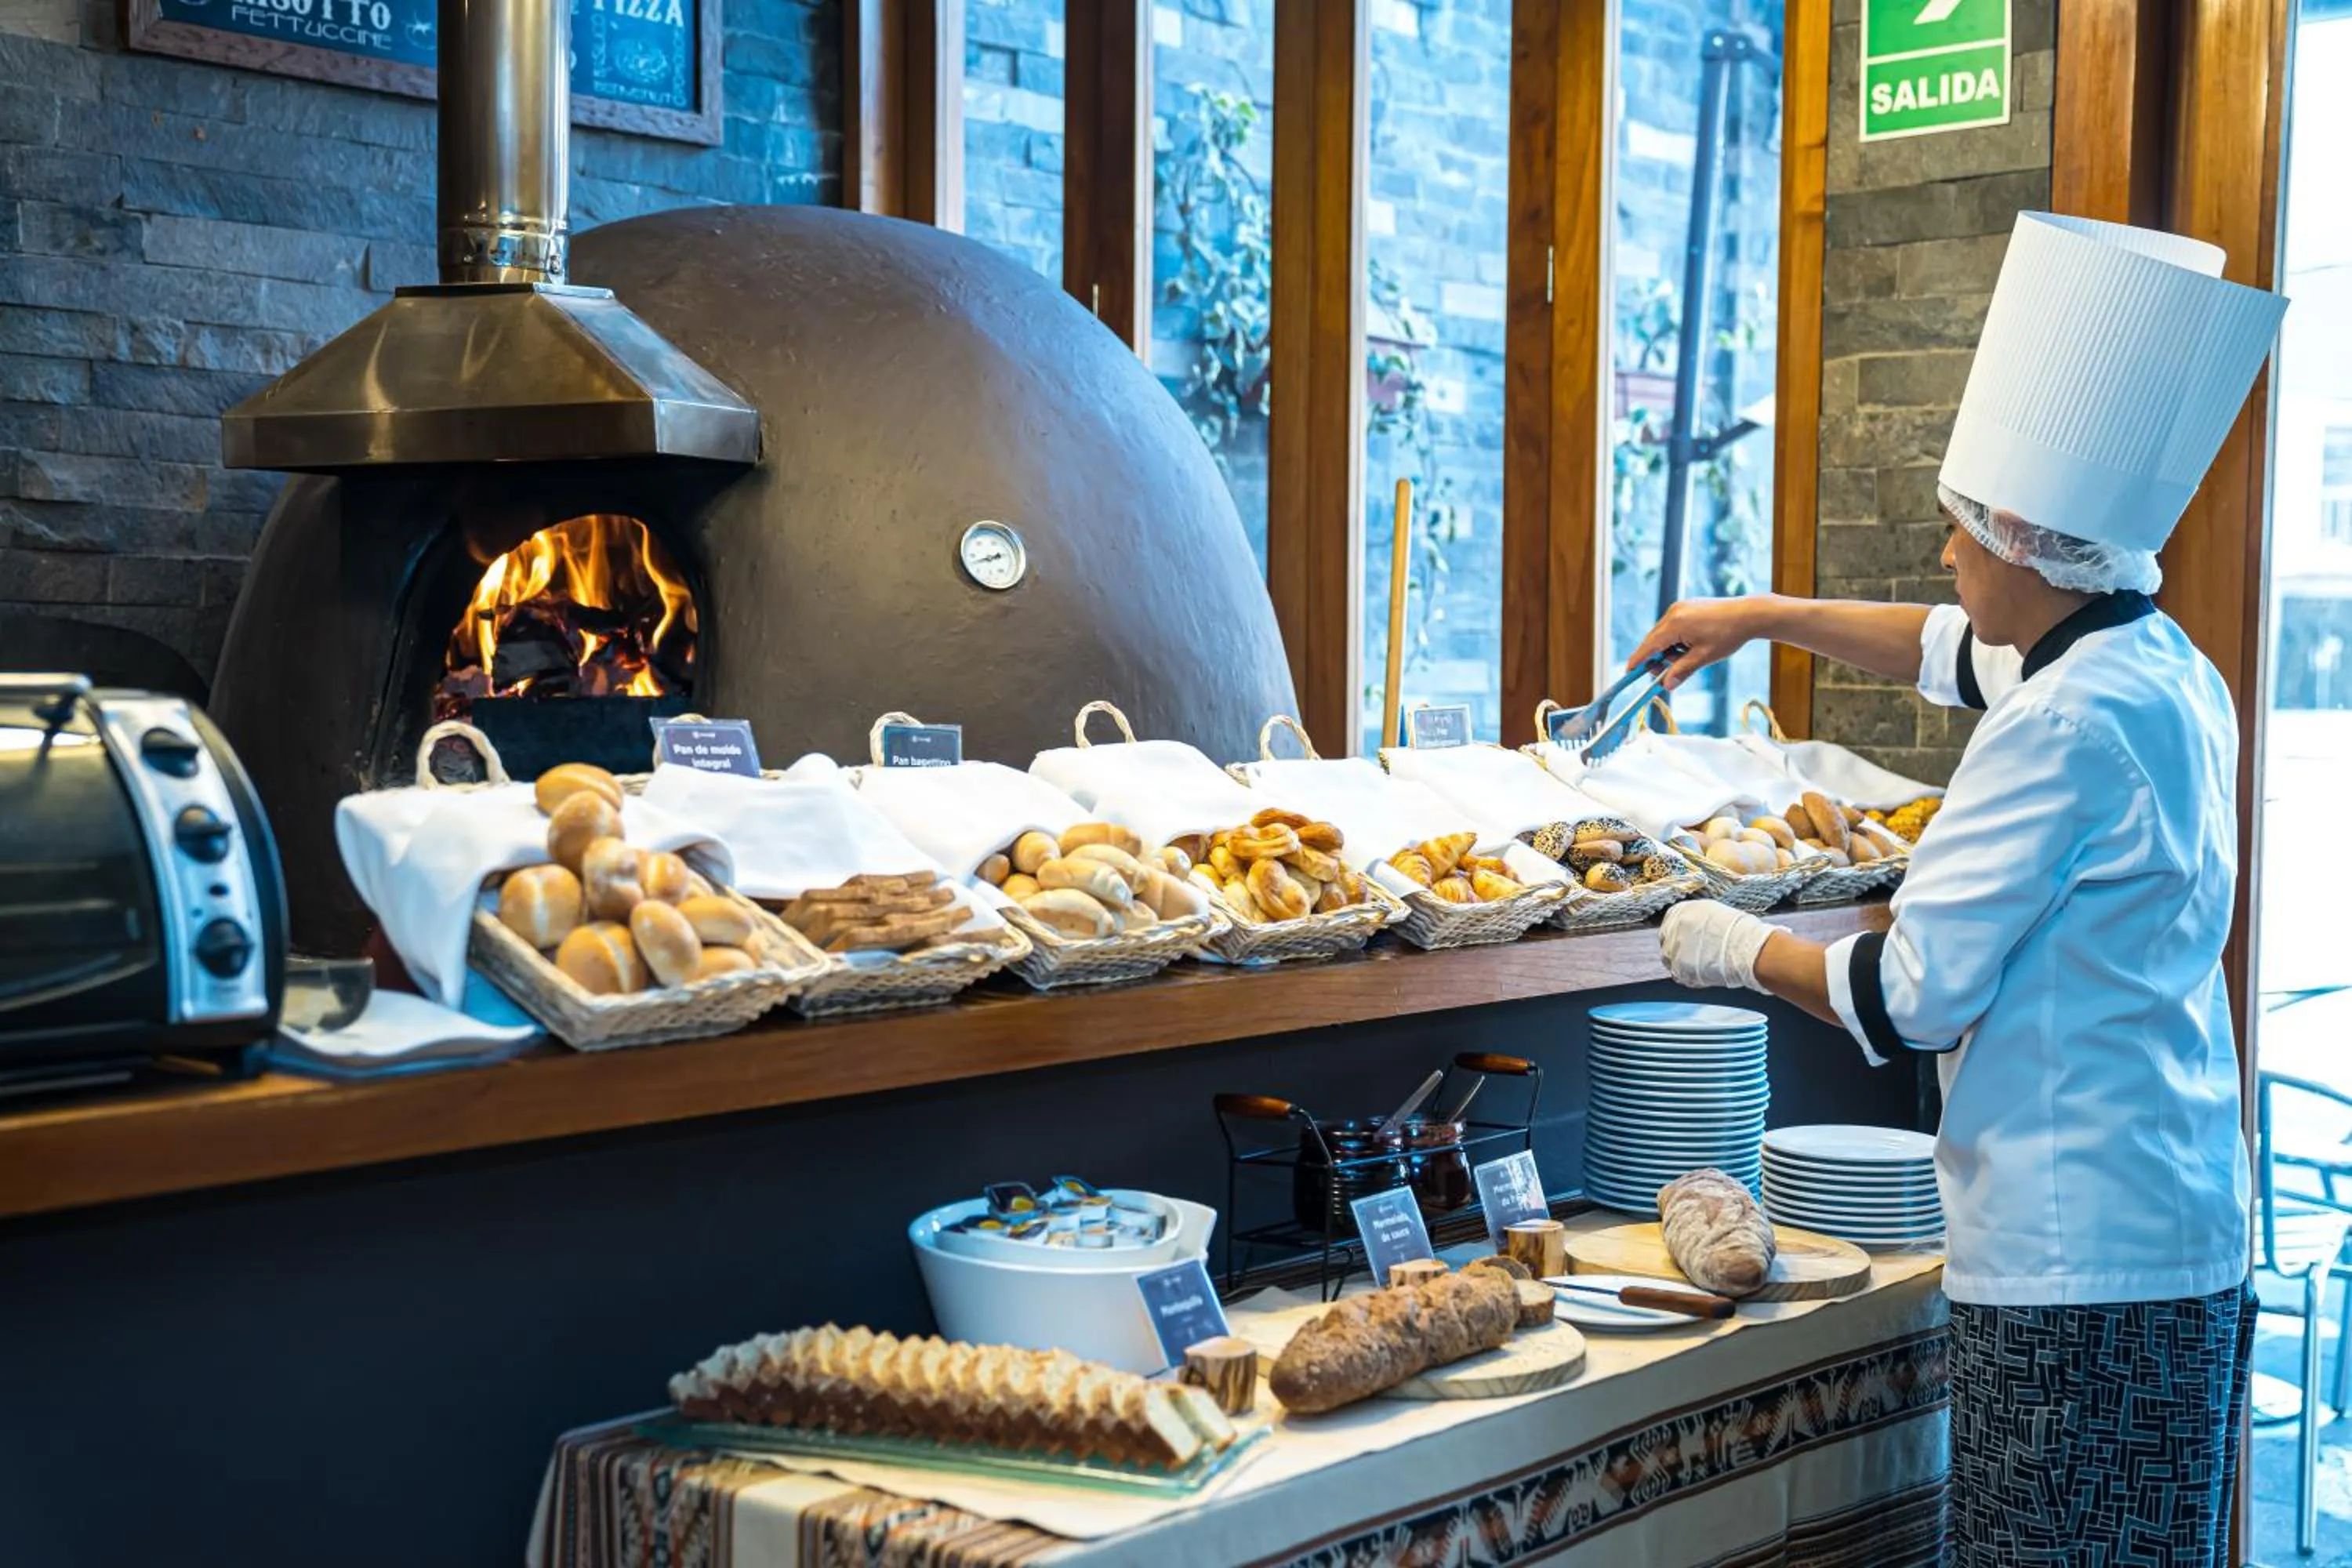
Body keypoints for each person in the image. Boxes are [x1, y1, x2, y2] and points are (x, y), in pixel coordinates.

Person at [1638, 212, 2287, 1568]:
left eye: (1960, 534)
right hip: (2170, 1225)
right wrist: (1762, 616)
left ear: (2030, 541)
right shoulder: (2151, 662)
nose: (1946, 559)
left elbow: (1912, 994)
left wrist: (1728, 944)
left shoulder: (2060, 730)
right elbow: (1948, 649)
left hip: (2077, 1261)